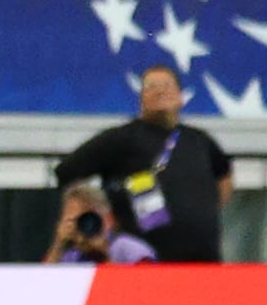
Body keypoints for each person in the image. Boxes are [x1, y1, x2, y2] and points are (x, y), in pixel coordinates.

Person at [53, 63, 232, 262]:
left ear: (181, 97)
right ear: (141, 99)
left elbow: (224, 177)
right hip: (143, 263)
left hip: (204, 263)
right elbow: (65, 172)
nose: (160, 90)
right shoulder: (118, 139)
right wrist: (87, 217)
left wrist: (201, 213)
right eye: (152, 86)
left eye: (167, 84)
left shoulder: (200, 140)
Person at [42, 181, 157, 262]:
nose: (85, 225)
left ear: (108, 219)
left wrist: (104, 253)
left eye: (87, 218)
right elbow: (41, 286)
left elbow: (148, 286)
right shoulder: (73, 256)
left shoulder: (128, 249)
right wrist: (58, 245)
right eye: (73, 221)